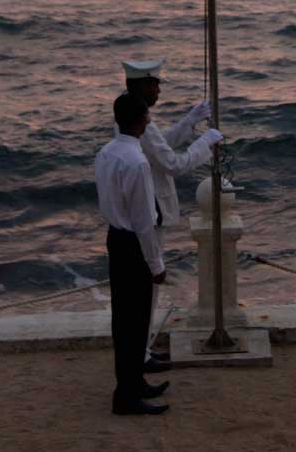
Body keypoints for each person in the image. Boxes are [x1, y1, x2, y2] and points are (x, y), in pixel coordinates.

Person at [122, 57, 224, 367]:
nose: (158, 91)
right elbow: (172, 163)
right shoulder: (141, 120)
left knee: (145, 289)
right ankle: (140, 354)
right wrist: (206, 142)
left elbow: (160, 145)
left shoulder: (133, 116)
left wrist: (188, 123)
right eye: (154, 85)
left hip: (145, 211)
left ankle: (142, 350)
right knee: (148, 289)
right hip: (148, 213)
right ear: (142, 86)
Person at [95, 92, 170, 416]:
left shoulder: (106, 153)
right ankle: (126, 395)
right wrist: (156, 264)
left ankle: (133, 382)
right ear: (141, 121)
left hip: (115, 237)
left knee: (123, 319)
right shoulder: (137, 163)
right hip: (133, 245)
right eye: (148, 117)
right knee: (135, 321)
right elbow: (144, 223)